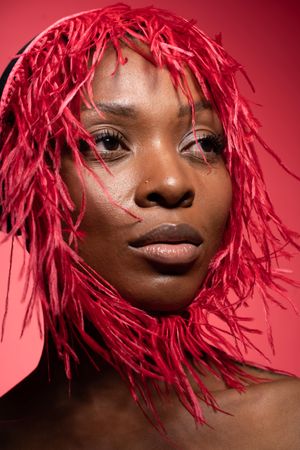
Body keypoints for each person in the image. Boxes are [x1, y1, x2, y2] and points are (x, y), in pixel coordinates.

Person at [0, 4, 299, 449]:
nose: (174, 183)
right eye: (106, 142)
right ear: (17, 193)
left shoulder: (287, 422)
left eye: (202, 143)